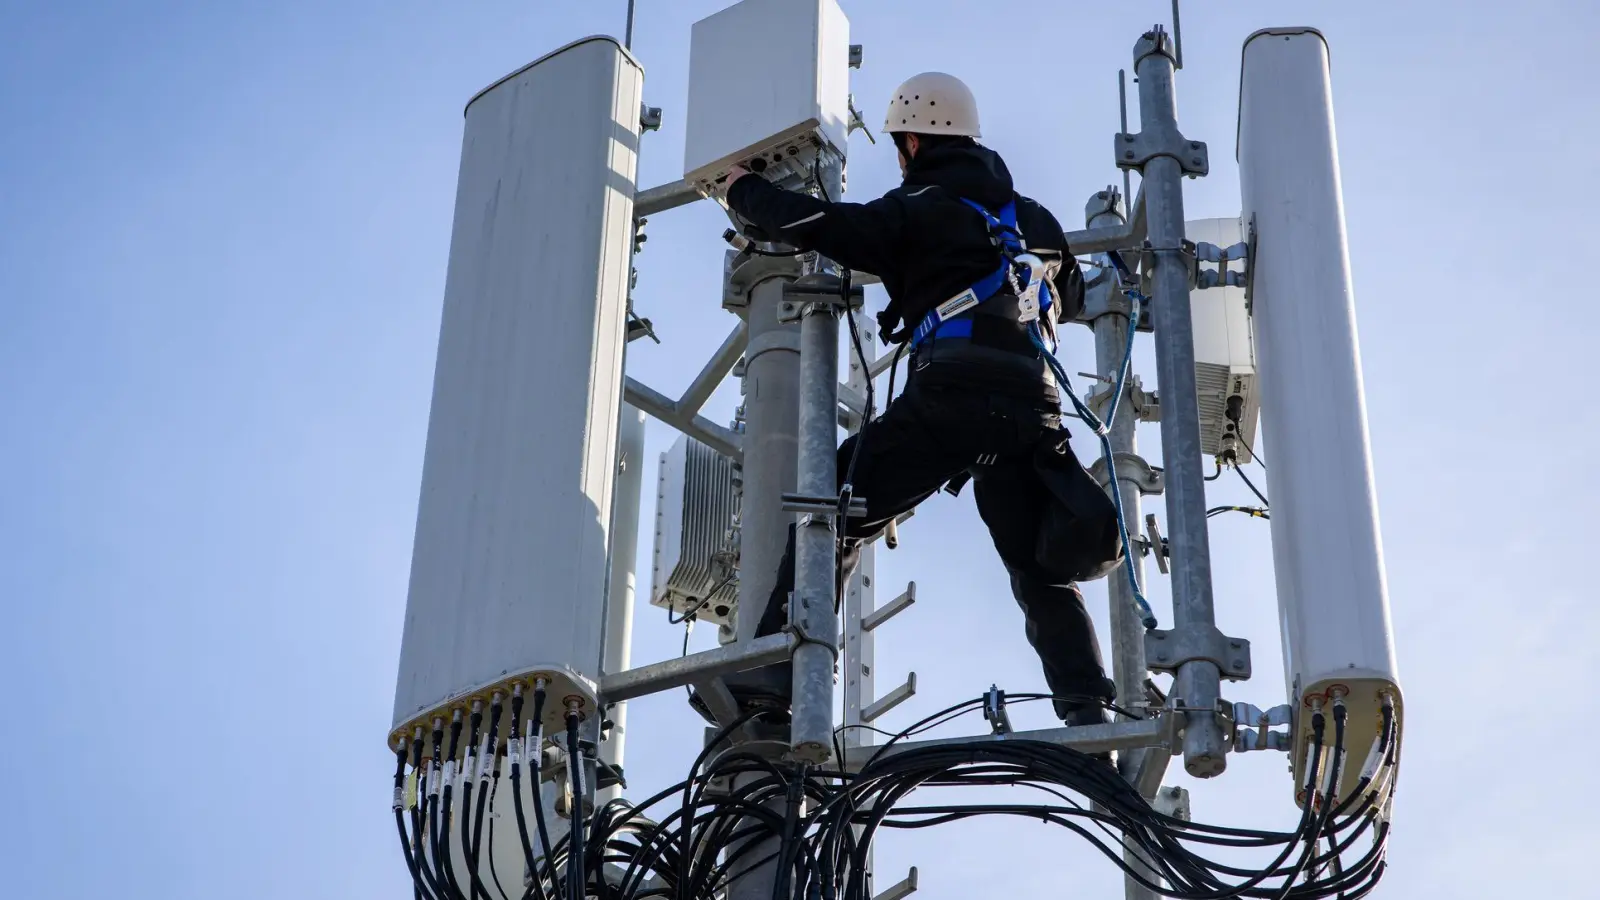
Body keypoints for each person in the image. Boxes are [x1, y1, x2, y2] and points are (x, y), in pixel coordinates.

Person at [698, 72, 1125, 730]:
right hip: (1034, 410)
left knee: (839, 502)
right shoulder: (1033, 219)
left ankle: (772, 678)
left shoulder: (919, 209)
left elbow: (816, 224)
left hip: (953, 392)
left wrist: (741, 188)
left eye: (900, 147)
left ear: (916, 142)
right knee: (1036, 568)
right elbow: (1067, 291)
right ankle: (1087, 707)